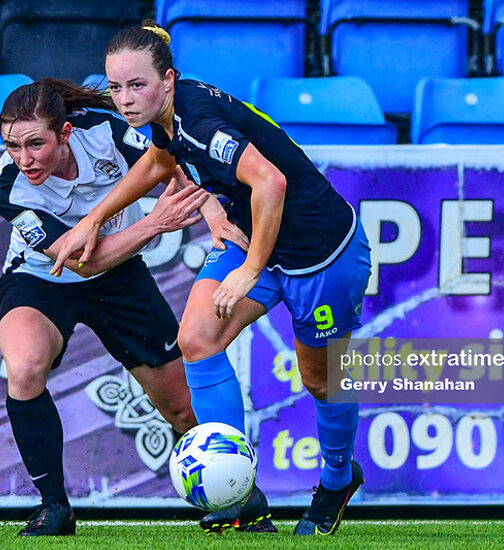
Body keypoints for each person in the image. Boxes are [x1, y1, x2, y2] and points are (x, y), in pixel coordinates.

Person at [50, 22, 372, 536]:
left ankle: (337, 479)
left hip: (322, 255)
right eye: (116, 87)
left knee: (319, 379)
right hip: (256, 241)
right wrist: (91, 220)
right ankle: (238, 494)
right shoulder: (165, 118)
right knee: (196, 339)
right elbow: (159, 160)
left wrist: (248, 271)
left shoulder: (199, 121)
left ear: (169, 80)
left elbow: (272, 181)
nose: (125, 99)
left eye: (137, 86)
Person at [0, 78, 245, 536]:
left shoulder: (103, 130)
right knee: (25, 367)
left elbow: (170, 163)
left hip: (122, 279)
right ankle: (54, 507)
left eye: (35, 144)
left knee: (184, 411)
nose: (23, 158)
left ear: (65, 134)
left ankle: (237, 499)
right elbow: (82, 263)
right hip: (40, 280)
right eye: (12, 145)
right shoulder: (9, 187)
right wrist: (153, 224)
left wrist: (210, 213)